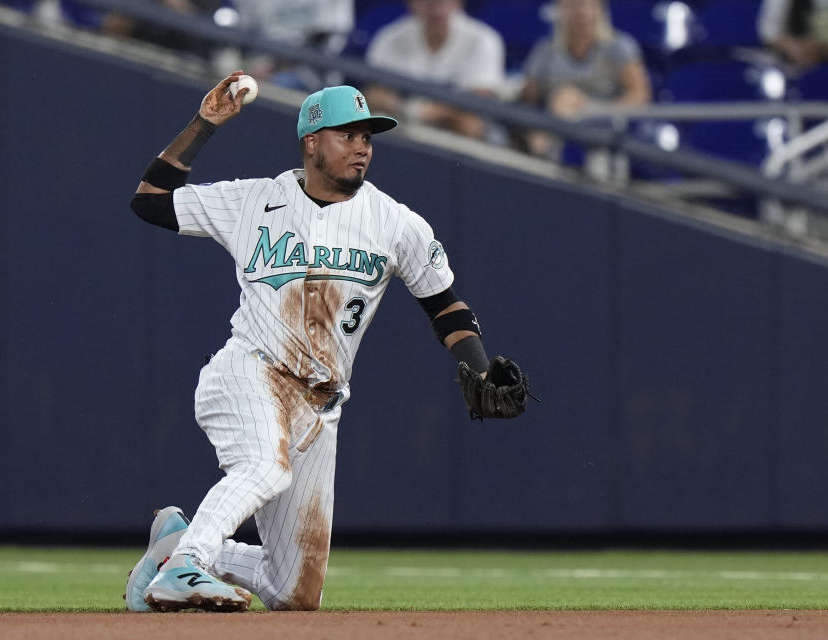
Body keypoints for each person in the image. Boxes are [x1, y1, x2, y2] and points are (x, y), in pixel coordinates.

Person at [124, 74, 530, 612]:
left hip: (320, 407)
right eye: (349, 134)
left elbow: (444, 304)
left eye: (368, 136)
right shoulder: (255, 199)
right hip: (252, 370)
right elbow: (150, 201)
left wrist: (477, 366)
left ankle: (179, 544)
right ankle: (185, 567)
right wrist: (204, 125)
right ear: (312, 142)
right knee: (265, 467)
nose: (362, 146)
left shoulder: (395, 223)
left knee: (294, 593)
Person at [517, 0, 651, 159]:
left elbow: (640, 93)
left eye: (589, 5)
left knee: (567, 97)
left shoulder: (619, 46)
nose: (582, 12)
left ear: (601, 11)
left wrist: (602, 111)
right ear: (560, 10)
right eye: (574, 5)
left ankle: (540, 148)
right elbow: (529, 97)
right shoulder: (545, 51)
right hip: (554, 114)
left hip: (603, 117)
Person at [364, 0, 506, 140]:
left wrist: (432, 112)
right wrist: (413, 110)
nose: (436, 5)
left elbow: (480, 99)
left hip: (453, 127)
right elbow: (376, 94)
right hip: (402, 121)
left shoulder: (483, 40)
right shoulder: (391, 37)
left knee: (470, 124)